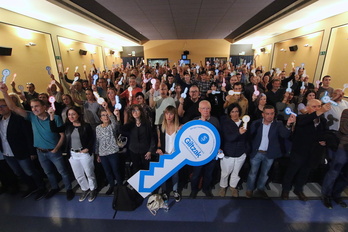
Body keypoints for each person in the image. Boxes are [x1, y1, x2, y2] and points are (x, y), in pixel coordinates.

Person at [0, 83, 74, 200]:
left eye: (37, 106)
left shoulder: (55, 118)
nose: (34, 109)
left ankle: (69, 189)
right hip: (40, 152)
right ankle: (54, 188)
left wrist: (56, 149)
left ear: (45, 107)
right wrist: (4, 92)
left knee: (63, 172)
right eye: (32, 106)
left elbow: (62, 136)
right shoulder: (32, 117)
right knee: (48, 172)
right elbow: (14, 108)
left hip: (53, 151)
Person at [282, 99, 331, 201]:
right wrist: (320, 112)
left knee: (305, 172)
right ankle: (285, 190)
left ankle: (298, 189)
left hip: (313, 152)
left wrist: (325, 140)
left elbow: (326, 133)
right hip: (299, 151)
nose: (318, 108)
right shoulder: (300, 118)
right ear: (307, 108)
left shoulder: (323, 121)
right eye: (314, 106)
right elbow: (303, 124)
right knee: (291, 171)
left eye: (319, 106)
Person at [0, 99, 46, 200]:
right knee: (19, 173)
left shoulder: (18, 119)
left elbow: (28, 135)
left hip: (21, 151)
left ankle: (41, 188)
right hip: (7, 153)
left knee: (30, 171)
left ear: (8, 106)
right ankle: (31, 187)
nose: (1, 108)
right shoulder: (0, 120)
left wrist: (32, 151)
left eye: (3, 106)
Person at [246, 105, 295, 199]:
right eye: (267, 114)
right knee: (253, 173)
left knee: (264, 174)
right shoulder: (256, 123)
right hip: (256, 153)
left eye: (272, 113)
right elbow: (249, 137)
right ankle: (249, 189)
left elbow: (285, 135)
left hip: (269, 154)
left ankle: (260, 189)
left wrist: (288, 124)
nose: (270, 116)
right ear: (263, 114)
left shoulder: (278, 124)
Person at [49, 106, 97, 202]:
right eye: (69, 114)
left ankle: (93, 189)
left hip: (84, 154)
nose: (71, 116)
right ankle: (85, 188)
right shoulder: (67, 125)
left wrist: (87, 148)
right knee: (78, 174)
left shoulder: (86, 126)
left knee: (89, 173)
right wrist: (51, 116)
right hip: (73, 154)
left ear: (78, 115)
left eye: (73, 114)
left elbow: (92, 139)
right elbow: (54, 129)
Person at [190, 100, 220, 198]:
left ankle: (206, 189)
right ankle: (194, 190)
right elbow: (189, 134)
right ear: (199, 110)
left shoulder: (215, 120)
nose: (205, 110)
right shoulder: (195, 121)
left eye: (207, 108)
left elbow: (219, 136)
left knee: (209, 174)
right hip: (198, 154)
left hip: (211, 154)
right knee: (196, 174)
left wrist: (219, 148)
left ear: (210, 109)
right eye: (203, 108)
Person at [115, 104, 155, 174]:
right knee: (136, 170)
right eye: (133, 111)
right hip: (134, 152)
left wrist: (150, 151)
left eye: (137, 110)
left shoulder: (147, 124)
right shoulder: (131, 124)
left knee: (147, 171)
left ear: (141, 111)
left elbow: (152, 138)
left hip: (145, 152)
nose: (135, 112)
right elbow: (120, 130)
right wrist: (118, 118)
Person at [219, 103, 248, 197]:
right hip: (228, 153)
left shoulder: (244, 123)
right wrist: (239, 133)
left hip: (241, 153)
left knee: (236, 173)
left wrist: (246, 150)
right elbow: (228, 138)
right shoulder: (225, 123)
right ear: (229, 113)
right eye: (233, 112)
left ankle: (233, 187)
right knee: (225, 173)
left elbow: (248, 138)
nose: (235, 114)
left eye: (237, 111)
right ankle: (223, 187)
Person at [321, 109, 348, 208]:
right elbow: (344, 129)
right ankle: (326, 195)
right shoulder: (346, 112)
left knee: (346, 176)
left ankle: (336, 194)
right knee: (334, 172)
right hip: (343, 147)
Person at [95, 103, 123, 195]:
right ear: (100, 118)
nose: (106, 117)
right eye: (103, 115)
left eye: (107, 115)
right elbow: (97, 141)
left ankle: (120, 186)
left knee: (116, 170)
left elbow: (114, 120)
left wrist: (107, 109)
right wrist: (97, 154)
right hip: (103, 154)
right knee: (107, 172)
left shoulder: (112, 126)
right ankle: (112, 186)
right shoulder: (97, 128)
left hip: (113, 152)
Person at [156, 105, 181, 202]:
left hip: (175, 155)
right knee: (164, 175)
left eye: (171, 113)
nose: (169, 116)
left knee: (175, 175)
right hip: (164, 155)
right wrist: (158, 149)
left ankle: (175, 191)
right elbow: (158, 141)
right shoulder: (161, 127)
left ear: (174, 115)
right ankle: (164, 191)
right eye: (167, 113)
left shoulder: (178, 127)